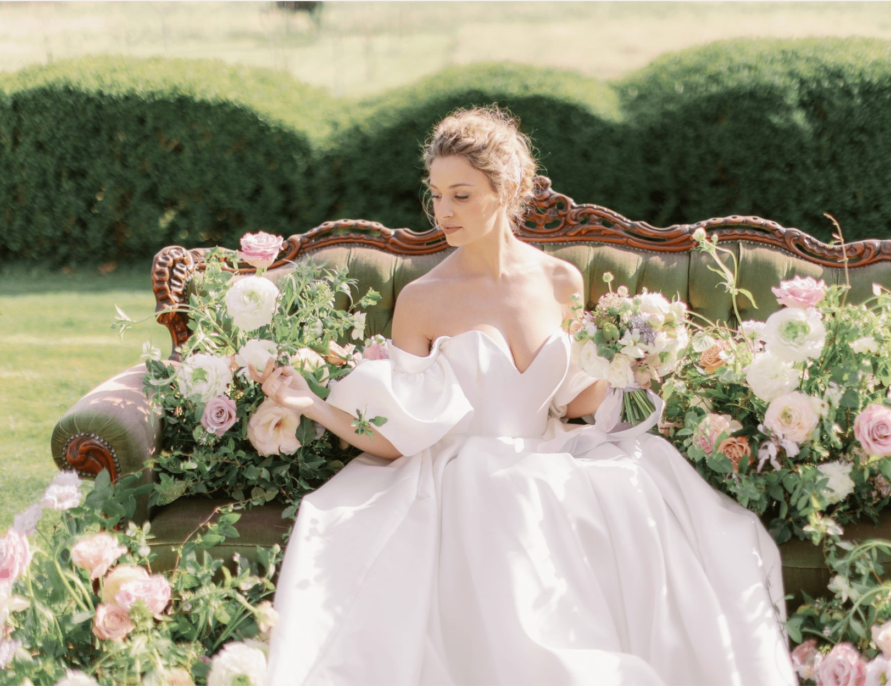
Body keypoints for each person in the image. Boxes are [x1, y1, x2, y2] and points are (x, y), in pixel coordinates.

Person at [257, 106, 797, 685]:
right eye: (435, 194)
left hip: (556, 455)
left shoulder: (561, 280)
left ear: (507, 188)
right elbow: (402, 432)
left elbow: (575, 402)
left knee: (638, 503)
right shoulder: (423, 299)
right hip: (461, 471)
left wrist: (631, 364)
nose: (443, 211)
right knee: (509, 506)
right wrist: (310, 404)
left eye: (461, 195)